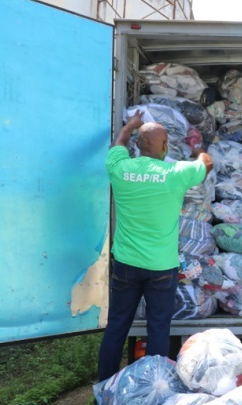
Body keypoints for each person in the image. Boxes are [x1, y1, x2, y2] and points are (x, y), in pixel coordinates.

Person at [97, 110, 213, 383]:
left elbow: (117, 146)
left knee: (116, 327)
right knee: (158, 328)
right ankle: (154, 388)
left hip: (126, 265)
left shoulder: (120, 168)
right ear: (164, 147)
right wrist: (198, 150)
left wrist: (130, 127)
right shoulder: (176, 173)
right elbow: (207, 164)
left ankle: (104, 390)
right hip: (162, 268)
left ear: (138, 145)